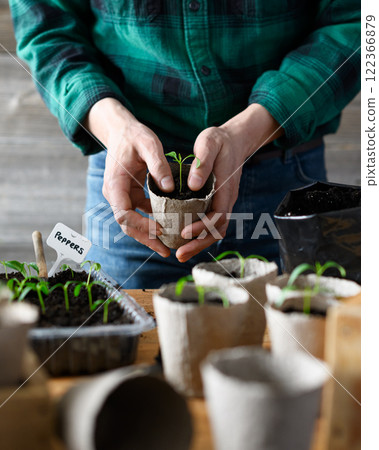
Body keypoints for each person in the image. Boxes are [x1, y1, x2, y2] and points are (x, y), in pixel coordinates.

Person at [9, 1, 360, 288]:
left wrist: (253, 128)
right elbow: (46, 26)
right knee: (128, 356)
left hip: (282, 177)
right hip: (134, 183)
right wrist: (114, 125)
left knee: (290, 353)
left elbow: (356, 20)